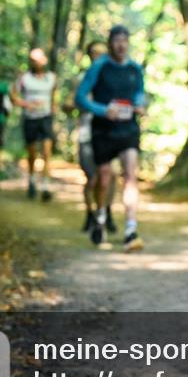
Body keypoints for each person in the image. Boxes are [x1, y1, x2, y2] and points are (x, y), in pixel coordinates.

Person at [75, 25, 146, 252]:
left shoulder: (135, 69)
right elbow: (80, 98)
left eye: (125, 40)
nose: (121, 44)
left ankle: (130, 229)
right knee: (104, 178)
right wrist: (102, 110)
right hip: (103, 130)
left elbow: (139, 93)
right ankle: (101, 217)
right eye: (117, 40)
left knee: (130, 175)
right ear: (110, 43)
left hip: (128, 130)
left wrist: (140, 105)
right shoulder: (99, 67)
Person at [72, 41, 117, 233]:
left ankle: (106, 212)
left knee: (111, 176)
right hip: (87, 134)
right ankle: (90, 213)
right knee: (92, 178)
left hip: (110, 133)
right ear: (89, 56)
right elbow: (72, 102)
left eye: (101, 53)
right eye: (94, 54)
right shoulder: (82, 79)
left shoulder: (113, 77)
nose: (98, 57)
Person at [12, 48, 57, 201]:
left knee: (46, 151)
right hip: (30, 118)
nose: (35, 62)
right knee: (32, 153)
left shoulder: (51, 78)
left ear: (44, 60)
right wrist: (26, 104)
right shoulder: (24, 78)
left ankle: (45, 185)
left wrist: (53, 109)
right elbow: (13, 96)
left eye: (38, 59)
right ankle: (31, 180)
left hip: (45, 118)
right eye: (32, 59)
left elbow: (54, 96)